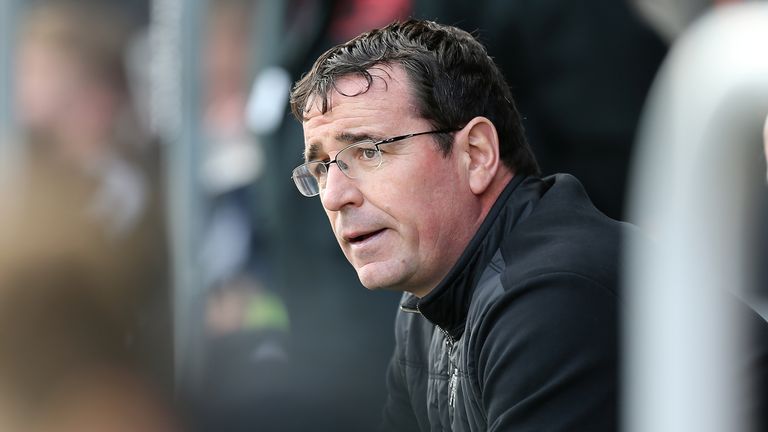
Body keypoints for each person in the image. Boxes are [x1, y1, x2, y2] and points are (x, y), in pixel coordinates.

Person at [288, 19, 632, 431]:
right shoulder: (423, 305)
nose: (333, 196)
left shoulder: (553, 292)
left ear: (477, 153)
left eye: (367, 151)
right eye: (321, 168)